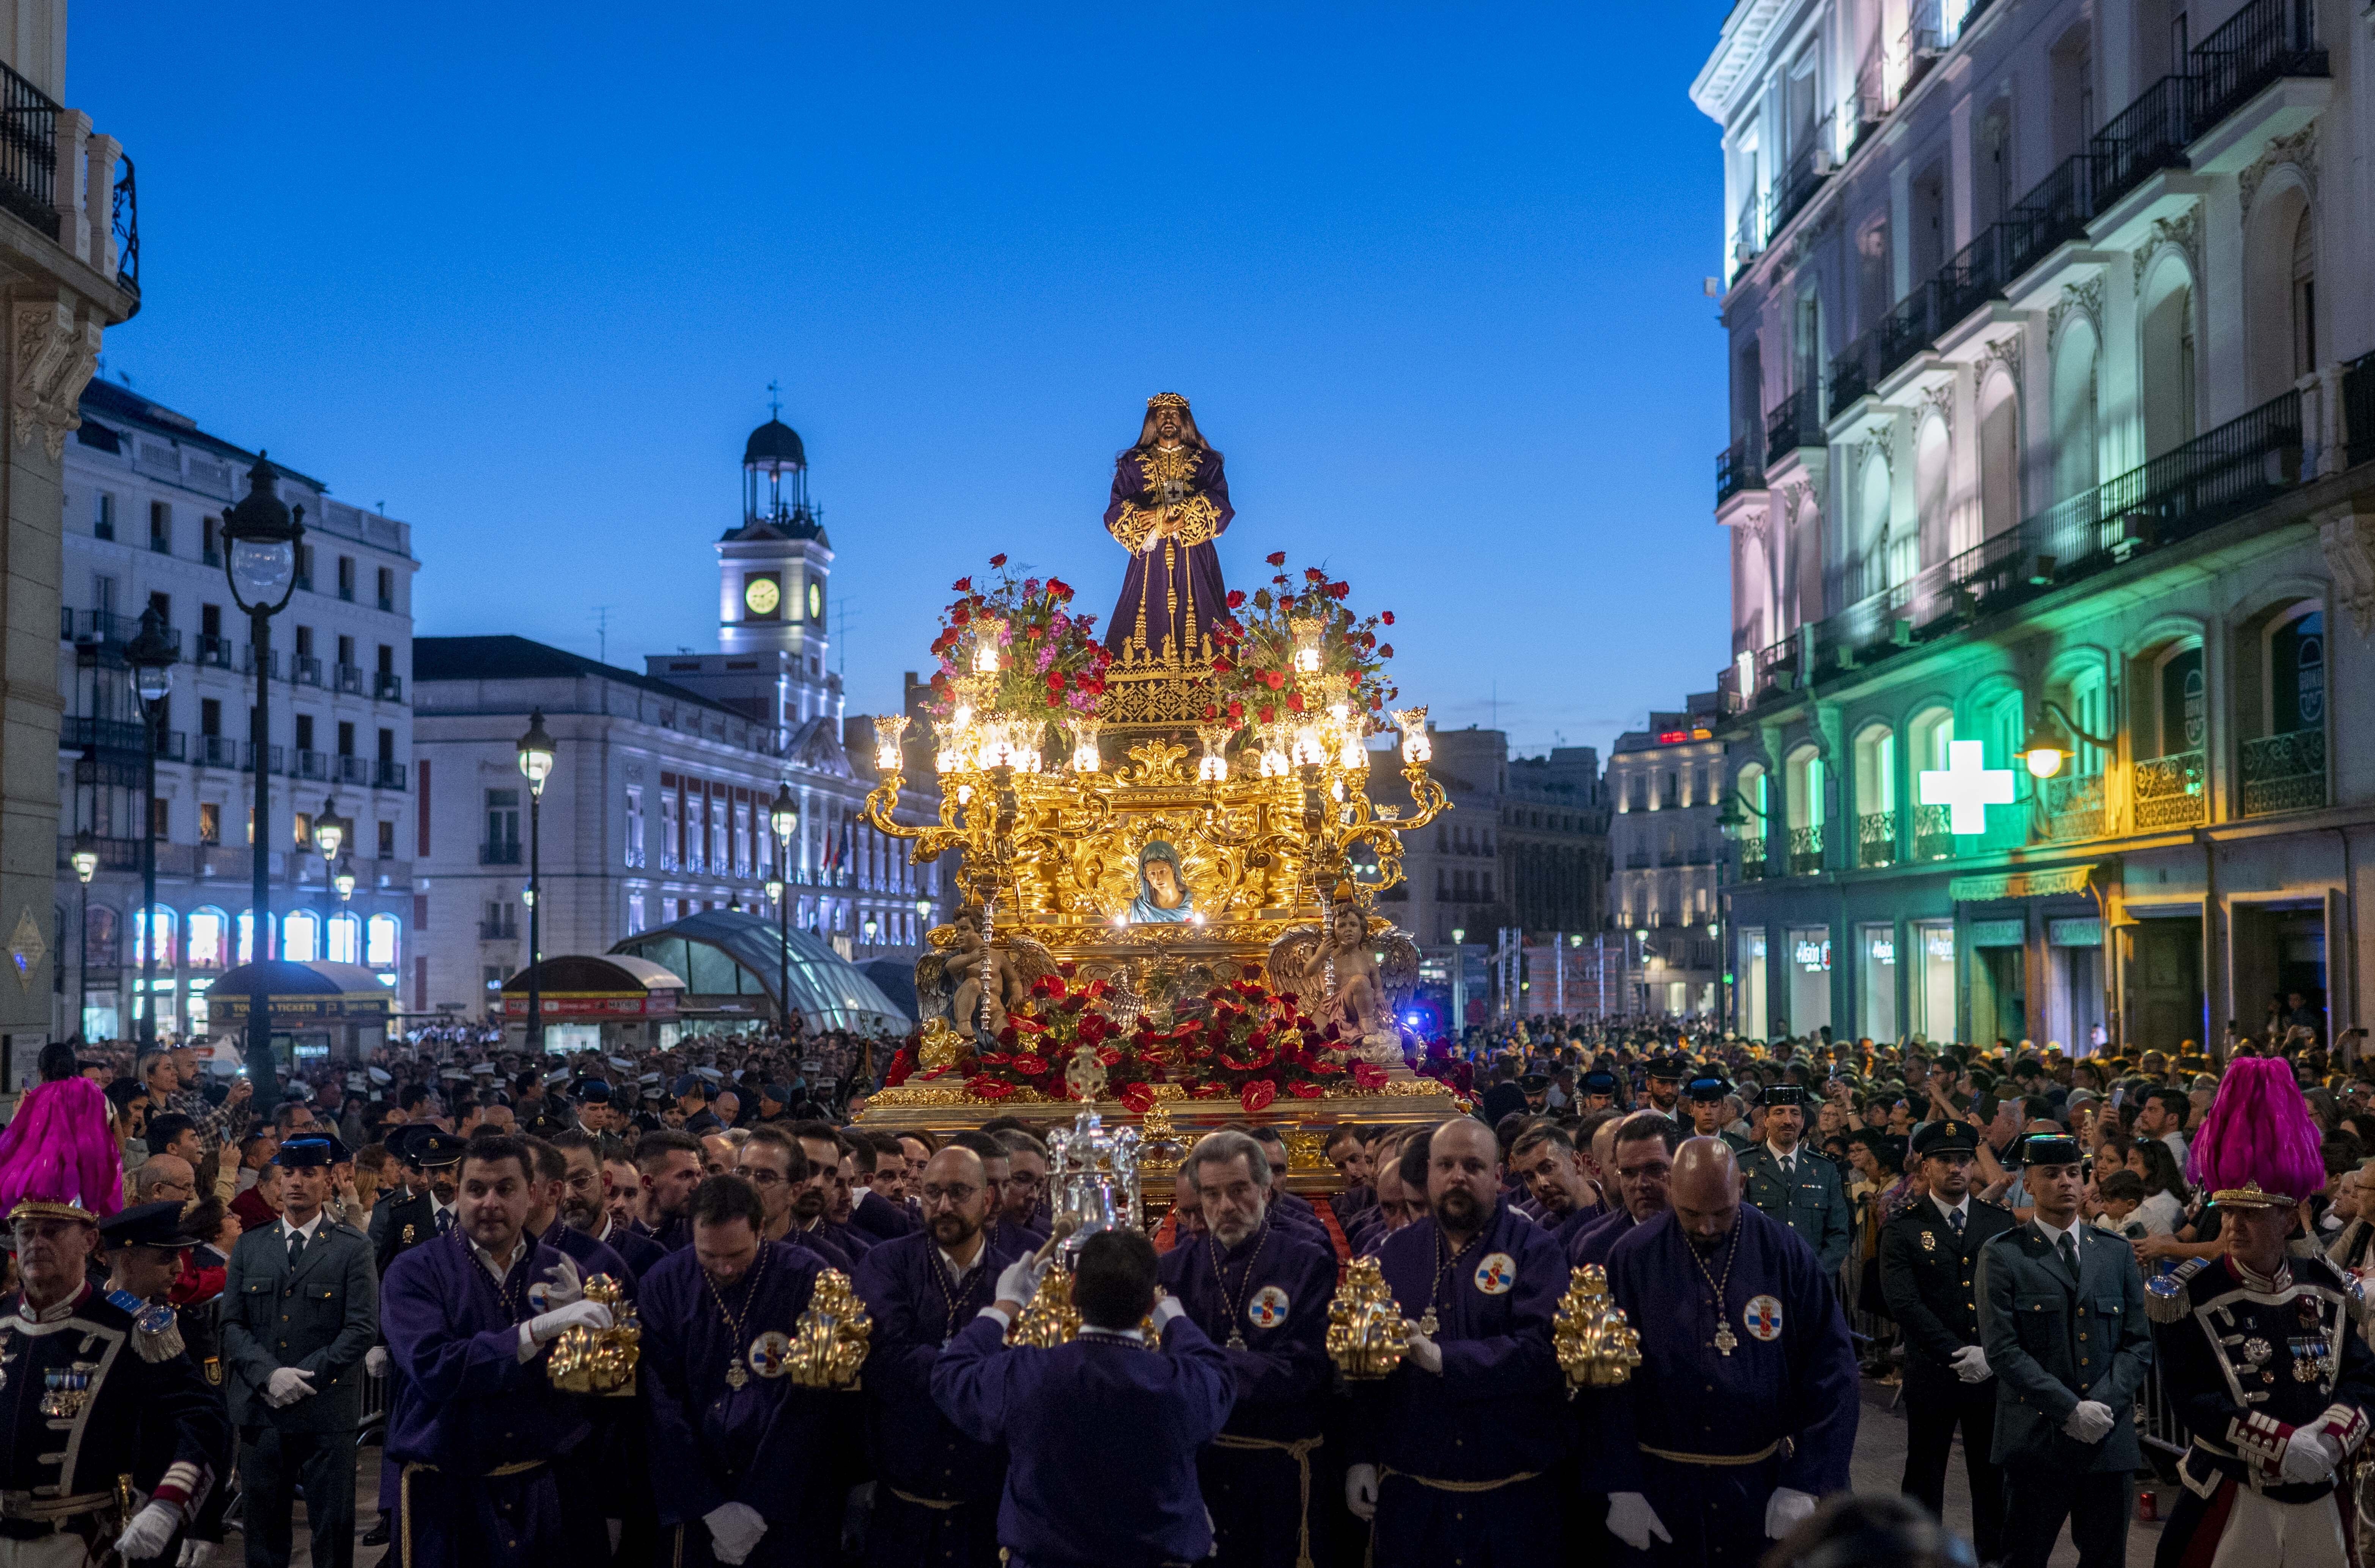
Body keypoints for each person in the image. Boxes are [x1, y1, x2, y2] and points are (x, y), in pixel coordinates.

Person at [2147, 1057, 2374, 1568]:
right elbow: (2191, 1395)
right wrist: (2281, 1445)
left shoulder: (2329, 1289)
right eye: (2227, 1211)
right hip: (2234, 1489)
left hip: (2320, 1487)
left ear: (2289, 1215)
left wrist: (2330, 1439)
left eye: (2250, 1213)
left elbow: (2363, 1378)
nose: (2234, 1225)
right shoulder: (2190, 1294)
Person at [1595, 1138, 1859, 1567]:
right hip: (1664, 1484)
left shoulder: (1784, 1251)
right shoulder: (1631, 1256)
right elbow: (1607, 1380)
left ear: (1741, 1187)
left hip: (1762, 1482)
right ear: (1672, 1192)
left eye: (1721, 1213)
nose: (1706, 1228)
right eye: (1691, 1214)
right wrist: (1619, 1483)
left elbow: (1833, 1369)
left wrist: (1806, 1481)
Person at [933, 1228, 1236, 1568]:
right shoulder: (1183, 1385)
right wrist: (1175, 1320)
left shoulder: (1029, 1373)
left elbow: (951, 1375)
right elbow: (1221, 1375)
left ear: (1073, 1293)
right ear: (1150, 1303)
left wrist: (1006, 1305)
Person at [1344, 1119, 1568, 1568]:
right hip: (1415, 1501)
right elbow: (1366, 1368)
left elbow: (1544, 1353)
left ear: (1498, 1177)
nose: (1457, 1177)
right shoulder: (1394, 1254)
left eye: (1472, 1165)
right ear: (1428, 1173)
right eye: (1445, 1165)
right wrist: (1360, 1458)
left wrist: (1444, 1358)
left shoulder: (1534, 1250)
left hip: (1510, 1502)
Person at [379, 1135, 610, 1567]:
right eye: (476, 1189)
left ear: (533, 1195)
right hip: (449, 1496)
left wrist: (585, 1345)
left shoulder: (561, 1271)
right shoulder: (414, 1271)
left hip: (541, 1488)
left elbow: (589, 1394)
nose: (489, 1203)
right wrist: (533, 1333)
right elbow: (435, 1368)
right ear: (458, 1194)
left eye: (505, 1189)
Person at [0, 1152, 229, 1566]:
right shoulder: (2, 1319)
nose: (36, 1244)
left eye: (52, 1231)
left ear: (89, 1241)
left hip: (81, 1543)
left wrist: (169, 1503)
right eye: (27, 1231)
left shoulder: (131, 1324)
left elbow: (203, 1421)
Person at [1156, 1131, 1335, 1568]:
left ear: (1264, 1189)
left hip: (1279, 1474)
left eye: (1238, 1190)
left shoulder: (1307, 1262)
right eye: (1212, 1195)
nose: (1225, 1207)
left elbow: (1301, 1371)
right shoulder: (1173, 1269)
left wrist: (1199, 1367)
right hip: (1203, 1474)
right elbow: (1162, 1375)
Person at [641, 1175, 840, 1566]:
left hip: (786, 1489)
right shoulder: (664, 1283)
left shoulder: (807, 1276)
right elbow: (661, 1401)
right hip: (696, 1492)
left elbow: (810, 1399)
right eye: (709, 1256)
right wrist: (707, 1503)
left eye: (737, 1254)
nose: (725, 1268)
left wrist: (760, 1501)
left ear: (761, 1229)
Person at [1975, 1131, 2152, 1568]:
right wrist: (2069, 1410)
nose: (2065, 1183)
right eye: (2051, 1174)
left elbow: (2137, 1342)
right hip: (2037, 1437)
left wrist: (2102, 1406)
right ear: (2028, 1184)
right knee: (2023, 1555)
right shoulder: (2004, 1255)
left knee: (2106, 1557)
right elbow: (2002, 1349)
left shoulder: (2113, 1253)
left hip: (2107, 1438)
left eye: (2073, 1173)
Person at [852, 1146, 1023, 1568]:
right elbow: (886, 1363)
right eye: (932, 1193)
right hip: (900, 1511)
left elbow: (1020, 1381)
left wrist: (941, 1367)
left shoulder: (1013, 1279)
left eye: (958, 1192)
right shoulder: (886, 1263)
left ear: (987, 1200)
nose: (943, 1206)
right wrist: (974, 1373)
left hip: (985, 1513)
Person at [220, 1137, 379, 1568]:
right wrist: (270, 1376)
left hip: (324, 1409)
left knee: (331, 1530)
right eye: (288, 1173)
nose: (296, 1183)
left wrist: (302, 1377)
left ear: (328, 1181)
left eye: (309, 1174)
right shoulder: (252, 1246)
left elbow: (361, 1327)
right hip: (262, 1409)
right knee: (264, 1532)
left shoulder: (351, 1247)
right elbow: (232, 1323)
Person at [1878, 1120, 2014, 1565]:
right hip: (1935, 1369)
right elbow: (1905, 1304)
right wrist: (1957, 1354)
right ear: (1925, 1165)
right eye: (1944, 1161)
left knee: (1991, 1474)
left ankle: (1992, 1557)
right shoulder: (1903, 1227)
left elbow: (2011, 1295)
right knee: (1924, 1473)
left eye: (1962, 1159)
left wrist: (1989, 1352)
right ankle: (1918, 1556)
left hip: (1990, 1368)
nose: (1956, 1169)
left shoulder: (1996, 1222)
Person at [1103, 391, 1232, 665]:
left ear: (1184, 420)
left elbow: (1221, 505)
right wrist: (1152, 522)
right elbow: (1115, 512)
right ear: (1153, 421)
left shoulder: (1207, 463)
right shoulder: (1133, 464)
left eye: (1174, 413)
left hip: (1195, 555)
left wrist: (1179, 514)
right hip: (1150, 558)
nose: (1168, 419)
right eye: (1162, 414)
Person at [1738, 1086, 1852, 1279]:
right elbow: (1737, 1229)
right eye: (1779, 1113)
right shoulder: (1744, 1164)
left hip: (1813, 1281)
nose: (1788, 1121)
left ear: (1803, 1120)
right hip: (1762, 1279)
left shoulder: (1825, 1169)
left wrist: (1816, 1272)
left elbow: (1839, 1232)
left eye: (1795, 1113)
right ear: (1765, 1119)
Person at [1125, 841, 1196, 925]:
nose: (1158, 879)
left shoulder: (1193, 904)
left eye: (1163, 872)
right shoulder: (1141, 908)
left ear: (1174, 870)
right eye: (1152, 873)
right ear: (1145, 876)